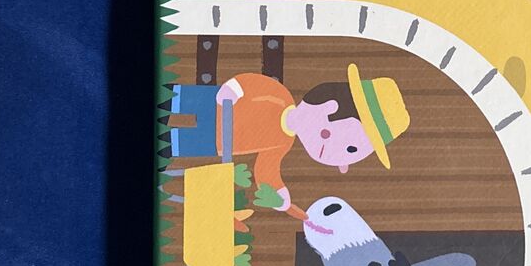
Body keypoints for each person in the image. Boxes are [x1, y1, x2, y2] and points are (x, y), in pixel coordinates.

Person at [168, 63, 409, 207]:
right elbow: (250, 84)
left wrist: (279, 195)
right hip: (209, 104)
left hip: (210, 142)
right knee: (171, 102)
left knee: (170, 143)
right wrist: (235, 88)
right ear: (330, 107)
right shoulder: (279, 96)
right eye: (350, 149)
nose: (342, 166)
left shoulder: (282, 143)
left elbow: (266, 169)